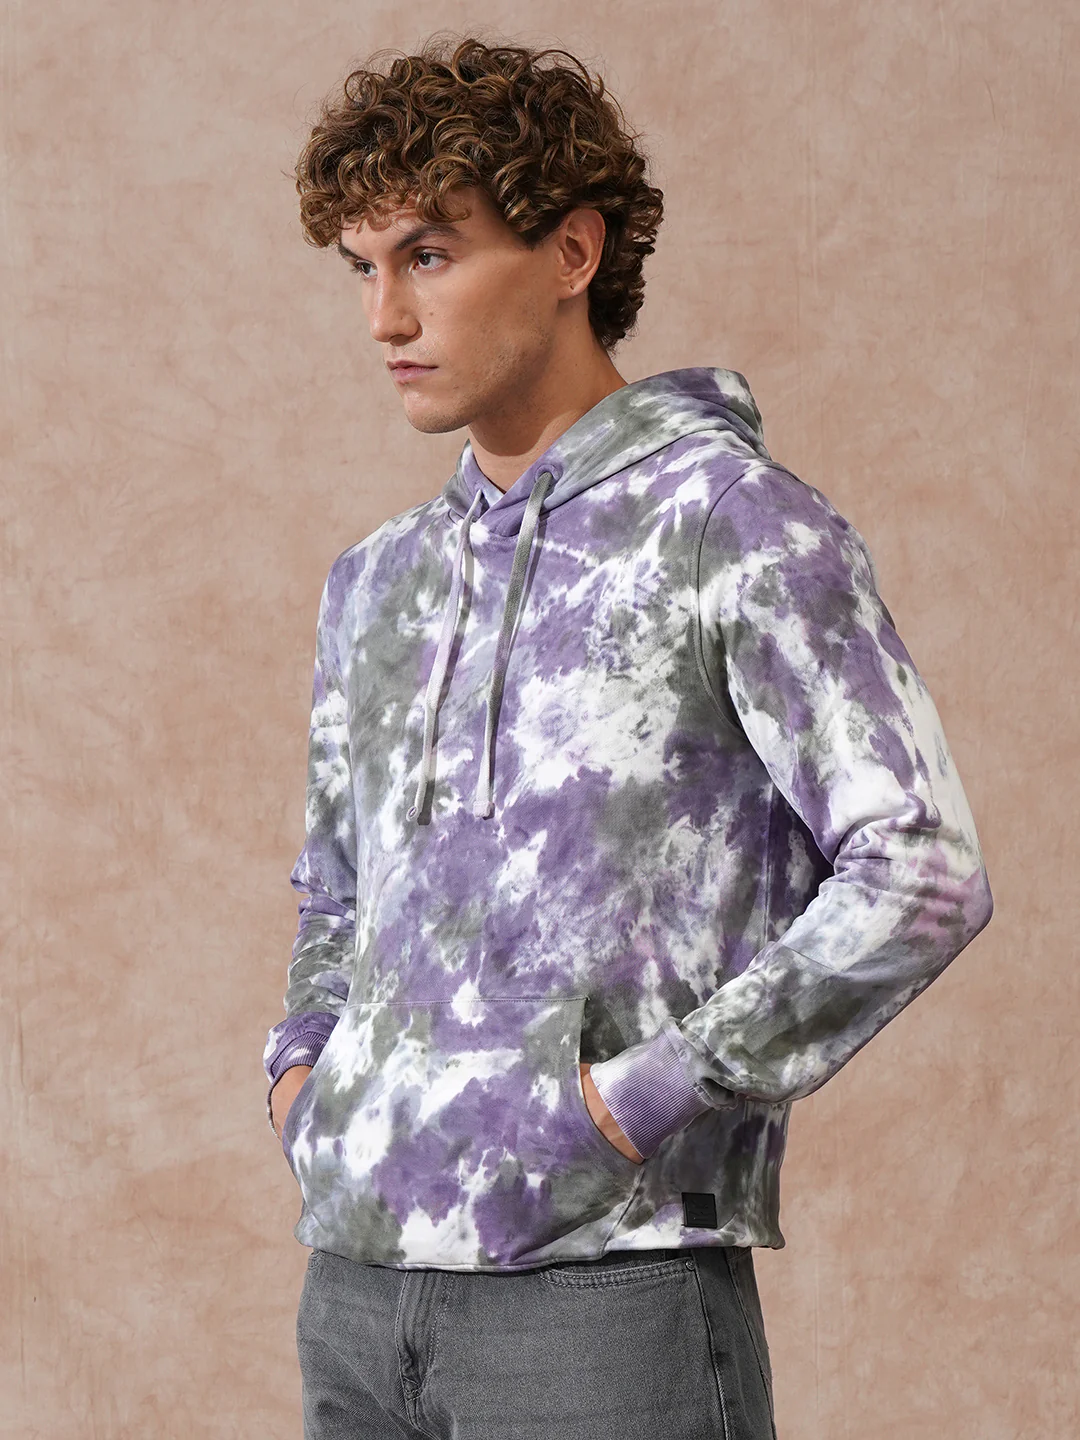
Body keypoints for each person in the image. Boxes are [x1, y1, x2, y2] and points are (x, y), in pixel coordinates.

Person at [263, 35, 993, 1440]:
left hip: (607, 1291)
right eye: (362, 267)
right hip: (356, 1288)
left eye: (429, 255)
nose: (384, 315)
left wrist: (629, 1104)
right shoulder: (378, 580)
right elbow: (335, 892)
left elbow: (923, 872)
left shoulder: (732, 524)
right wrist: (307, 1082)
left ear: (571, 251)